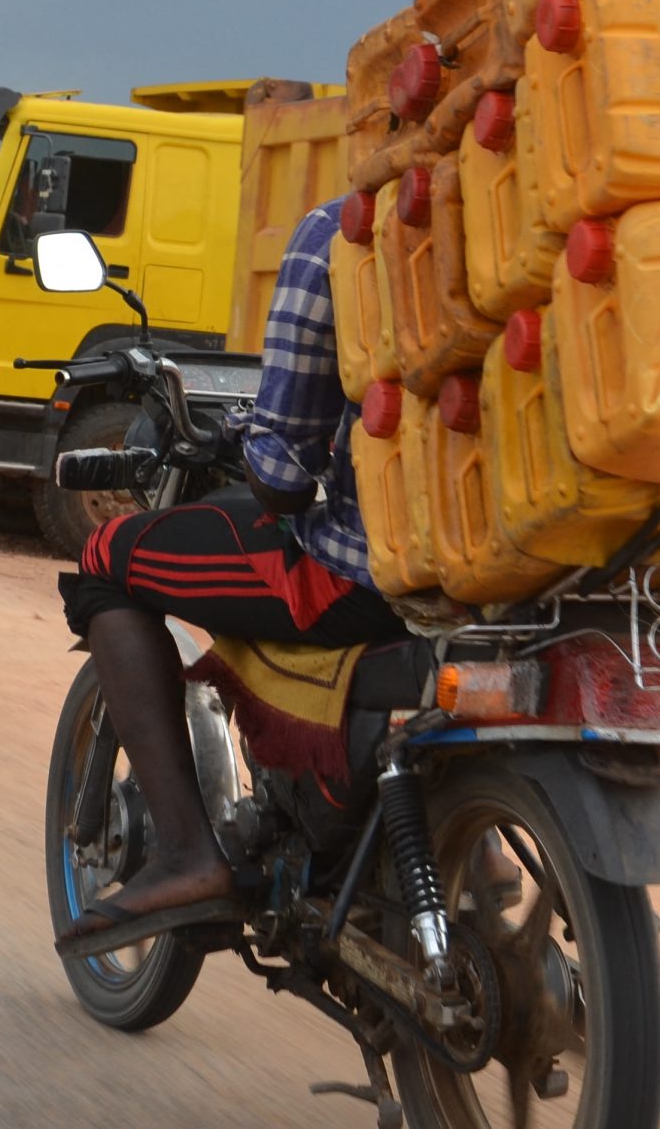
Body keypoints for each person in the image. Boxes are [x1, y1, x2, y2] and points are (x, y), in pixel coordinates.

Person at [55, 195, 404, 943]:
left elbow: (282, 472)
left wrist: (250, 443)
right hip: (532, 584)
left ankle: (188, 855)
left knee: (105, 559)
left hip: (371, 578)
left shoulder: (347, 229)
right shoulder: (555, 222)